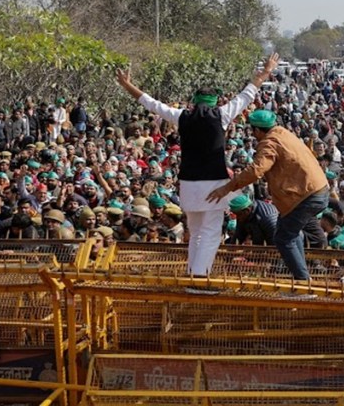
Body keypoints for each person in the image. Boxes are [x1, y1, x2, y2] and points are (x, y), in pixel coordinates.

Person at [116, 53, 279, 278]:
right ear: (215, 102)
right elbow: (247, 94)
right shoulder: (222, 114)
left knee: (196, 233)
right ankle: (200, 278)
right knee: (210, 233)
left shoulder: (181, 116)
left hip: (188, 185)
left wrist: (127, 85)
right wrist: (266, 71)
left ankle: (192, 273)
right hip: (214, 184)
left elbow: (152, 104)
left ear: (195, 101)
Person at [207, 109, 330, 285]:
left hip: (305, 195)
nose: (252, 134)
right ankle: (303, 276)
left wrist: (226, 188)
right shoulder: (283, 133)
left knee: (283, 237)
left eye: (252, 130)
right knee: (289, 232)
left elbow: (256, 170)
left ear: (257, 130)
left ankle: (303, 281)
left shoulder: (269, 142)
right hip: (314, 191)